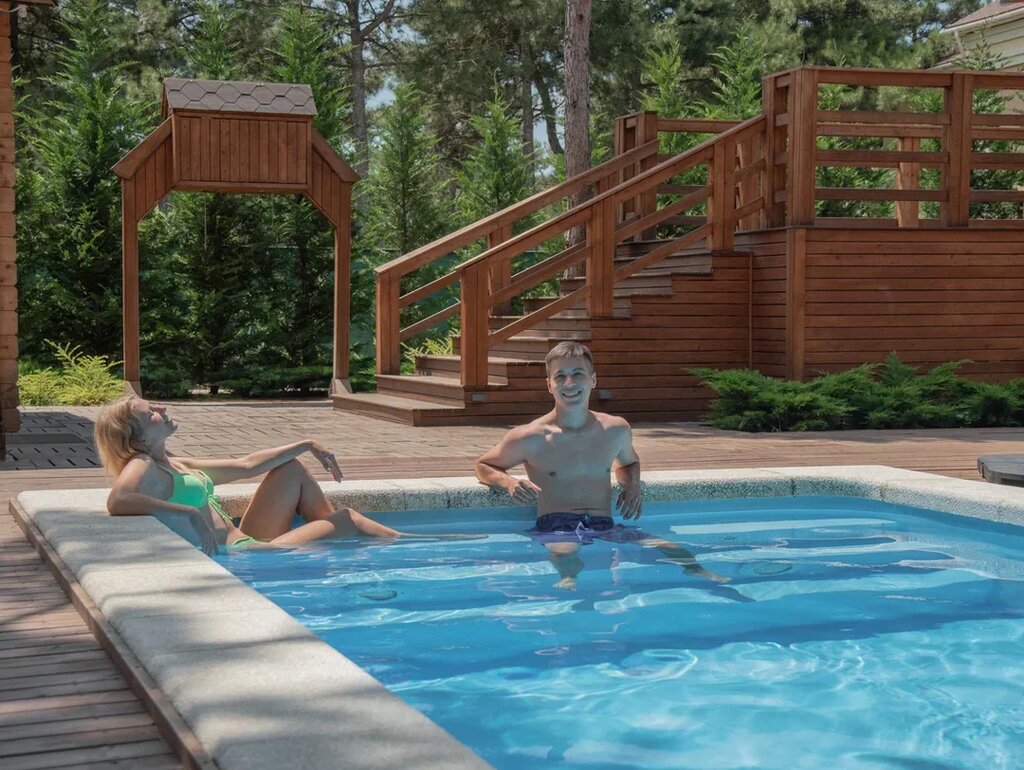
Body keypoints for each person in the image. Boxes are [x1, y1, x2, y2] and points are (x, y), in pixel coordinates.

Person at [475, 341, 729, 591]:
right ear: (549, 384)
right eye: (560, 376)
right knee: (566, 553)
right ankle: (567, 581)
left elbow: (629, 462)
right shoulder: (529, 437)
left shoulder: (615, 429)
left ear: (593, 380)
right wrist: (508, 482)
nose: (569, 383)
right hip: (556, 526)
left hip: (604, 523)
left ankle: (701, 574)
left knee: (671, 548)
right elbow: (484, 465)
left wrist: (632, 484)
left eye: (577, 374)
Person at [95, 395, 401, 553]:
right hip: (246, 554)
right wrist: (188, 512)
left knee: (291, 468)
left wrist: (307, 444)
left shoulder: (176, 464)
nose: (161, 408)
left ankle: (329, 542)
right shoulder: (142, 462)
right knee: (349, 519)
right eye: (151, 412)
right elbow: (119, 499)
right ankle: (412, 544)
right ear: (139, 438)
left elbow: (246, 465)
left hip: (246, 539)